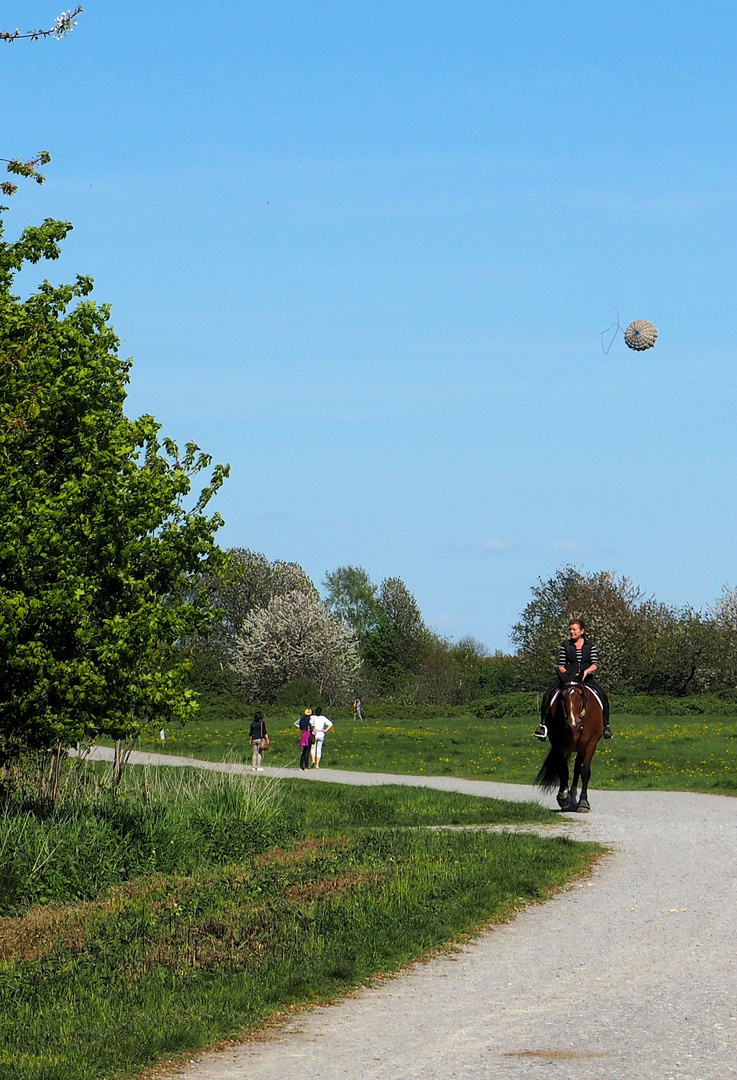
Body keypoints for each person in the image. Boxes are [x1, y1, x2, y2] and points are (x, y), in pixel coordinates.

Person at [534, 619, 612, 741]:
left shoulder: (590, 645)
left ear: (582, 631)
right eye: (570, 629)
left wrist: (586, 671)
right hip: (569, 678)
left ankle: (606, 727)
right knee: (548, 694)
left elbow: (595, 664)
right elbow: (561, 665)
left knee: (602, 695)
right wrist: (568, 674)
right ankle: (543, 726)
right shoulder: (566, 645)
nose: (571, 631)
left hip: (586, 678)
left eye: (574, 629)